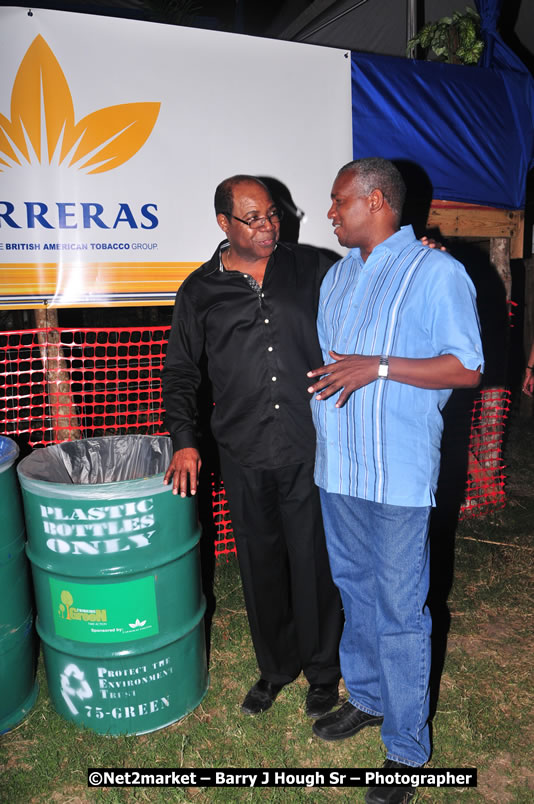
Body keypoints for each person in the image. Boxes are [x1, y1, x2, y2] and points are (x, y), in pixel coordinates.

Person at [307, 158, 483, 804]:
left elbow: (465, 367)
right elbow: (333, 364)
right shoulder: (337, 278)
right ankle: (372, 699)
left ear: (377, 201)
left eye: (338, 202)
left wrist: (378, 368)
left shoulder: (438, 273)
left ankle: (407, 751)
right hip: (340, 466)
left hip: (398, 473)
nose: (330, 213)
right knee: (354, 589)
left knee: (401, 610)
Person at [161, 175, 343, 720]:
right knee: (260, 563)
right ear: (224, 224)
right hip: (242, 449)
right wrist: (185, 441)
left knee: (314, 561)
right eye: (253, 218)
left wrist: (417, 252)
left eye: (273, 215)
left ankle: (323, 671)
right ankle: (275, 669)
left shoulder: (312, 267)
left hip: (310, 443)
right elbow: (180, 374)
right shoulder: (199, 291)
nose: (268, 226)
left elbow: (373, 280)